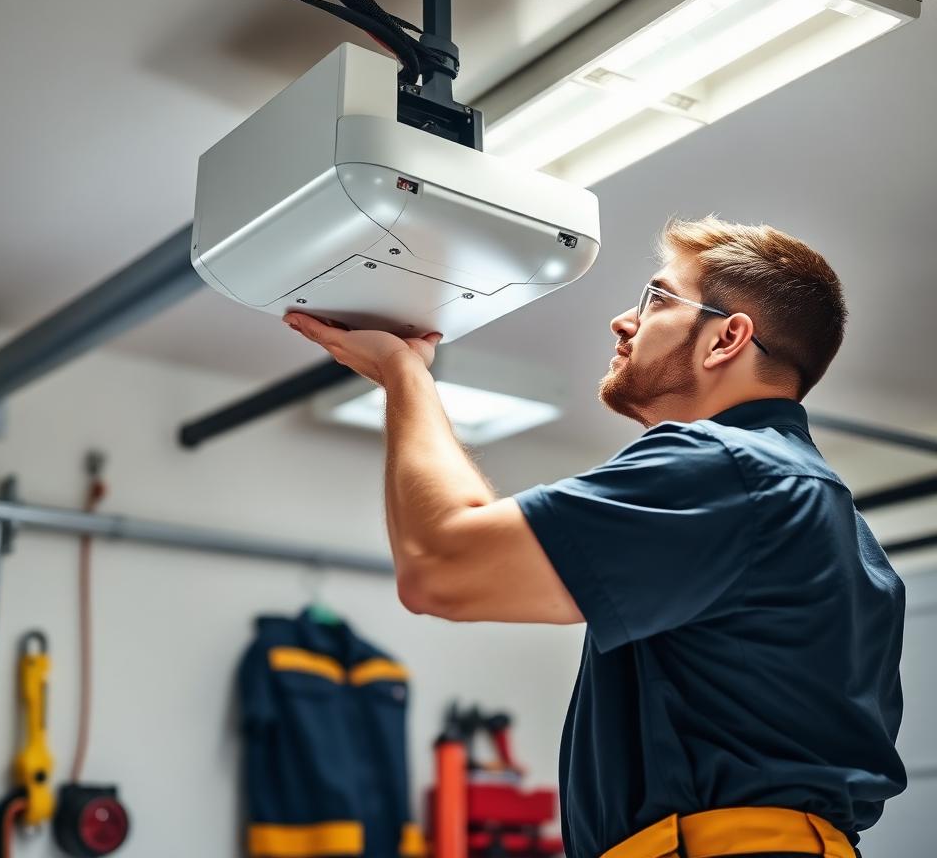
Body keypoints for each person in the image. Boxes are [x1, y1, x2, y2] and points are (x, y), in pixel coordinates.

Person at [282, 215, 906, 858]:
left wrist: (404, 374)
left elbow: (441, 564)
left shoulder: (729, 468)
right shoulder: (829, 522)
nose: (623, 320)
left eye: (658, 298)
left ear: (727, 338)